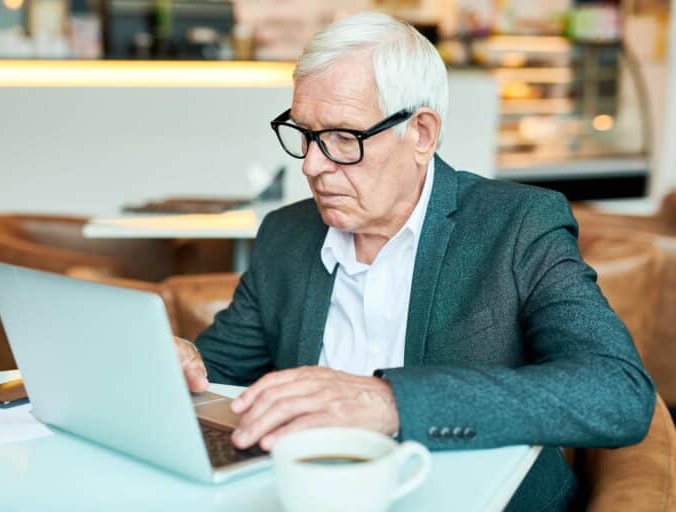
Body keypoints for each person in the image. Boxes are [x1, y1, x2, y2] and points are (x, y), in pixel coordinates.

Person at [174, 11, 654, 511]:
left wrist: (390, 402)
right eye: (305, 133)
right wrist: (181, 363)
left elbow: (618, 391)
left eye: (343, 138)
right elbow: (219, 372)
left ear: (421, 133)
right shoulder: (286, 234)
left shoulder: (517, 225)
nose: (313, 164)